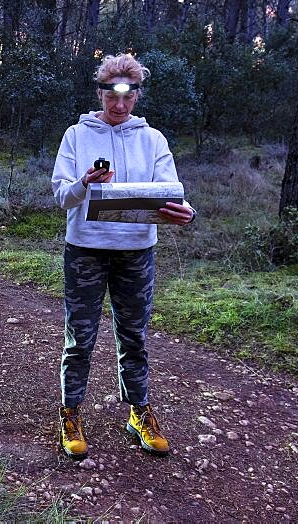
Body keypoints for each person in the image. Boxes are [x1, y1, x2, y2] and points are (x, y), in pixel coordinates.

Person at [50, 53, 195, 460]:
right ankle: (70, 413)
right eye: (112, 97)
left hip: (136, 253)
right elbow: (62, 195)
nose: (119, 106)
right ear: (100, 93)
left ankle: (139, 413)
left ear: (136, 96)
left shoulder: (153, 139)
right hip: (86, 250)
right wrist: (84, 182)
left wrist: (186, 213)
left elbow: (173, 192)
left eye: (128, 98)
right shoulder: (77, 136)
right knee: (80, 338)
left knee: (134, 336)